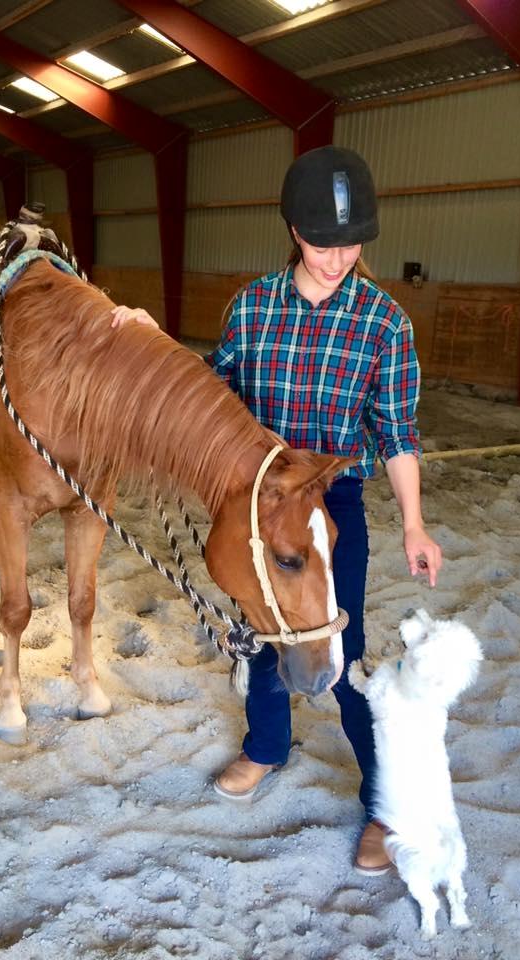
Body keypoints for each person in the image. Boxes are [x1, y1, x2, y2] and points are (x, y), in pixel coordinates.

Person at [110, 145, 442, 875]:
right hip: (256, 499)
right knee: (263, 632)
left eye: (352, 244)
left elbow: (396, 431)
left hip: (330, 501)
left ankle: (386, 803)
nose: (337, 257)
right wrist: (146, 341)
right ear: (295, 230)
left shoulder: (385, 323)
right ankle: (267, 746)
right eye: (324, 242)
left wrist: (413, 524)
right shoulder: (253, 306)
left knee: (339, 644)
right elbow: (207, 390)